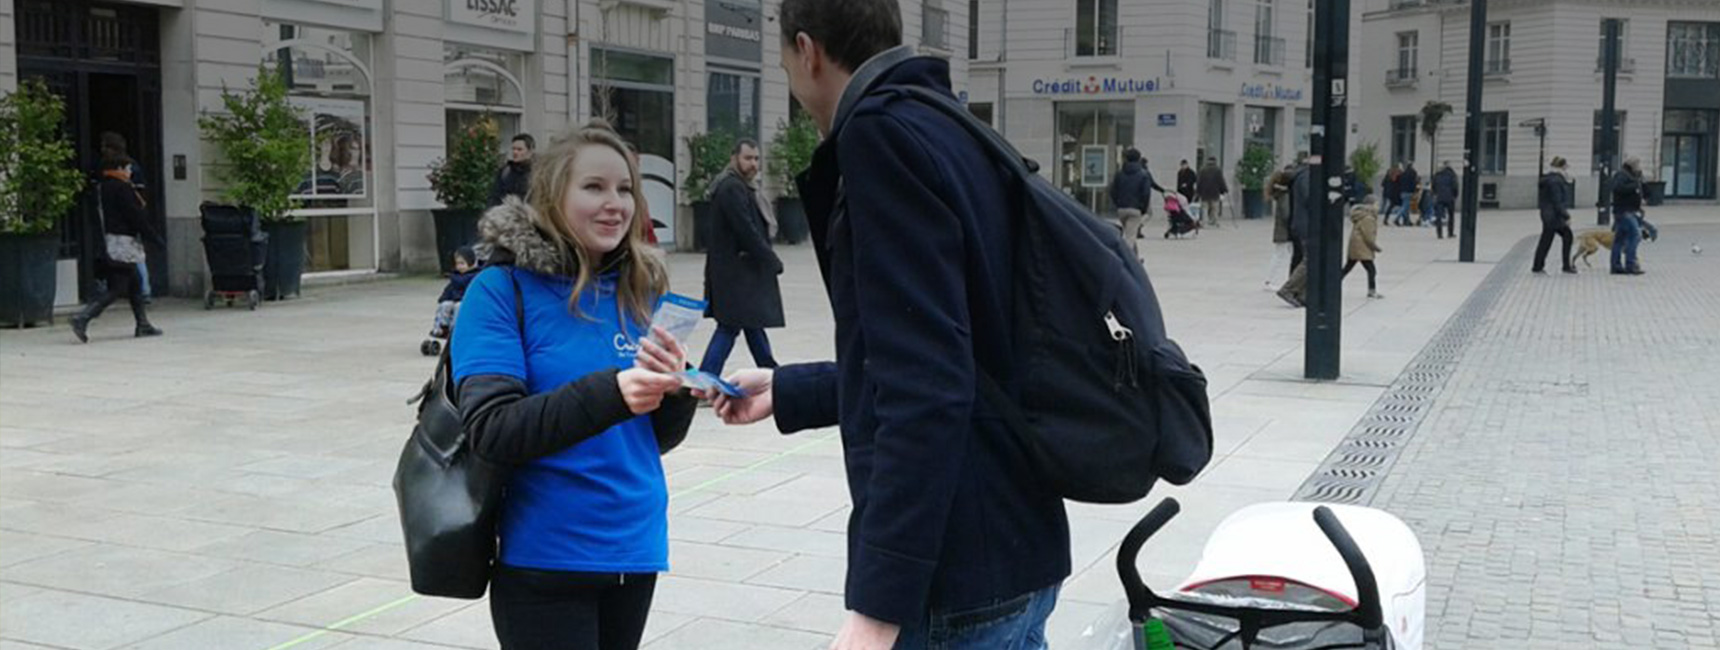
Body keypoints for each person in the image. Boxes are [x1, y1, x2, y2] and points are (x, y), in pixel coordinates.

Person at [711, 1, 1069, 647]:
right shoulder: (949, 123)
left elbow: (928, 386)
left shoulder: (880, 139)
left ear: (807, 51)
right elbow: (957, 351)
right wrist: (792, 389)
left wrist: (879, 605)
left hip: (955, 574)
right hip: (1018, 540)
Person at [450, 121, 696, 650]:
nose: (616, 204)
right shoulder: (500, 290)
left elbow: (652, 439)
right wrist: (613, 392)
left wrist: (676, 393)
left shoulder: (643, 290)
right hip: (545, 557)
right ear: (551, 196)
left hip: (635, 549)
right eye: (594, 187)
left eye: (626, 188)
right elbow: (492, 430)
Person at [699, 138, 785, 377]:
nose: (753, 164)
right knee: (730, 326)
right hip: (735, 272)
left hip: (739, 271)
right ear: (734, 158)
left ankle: (769, 369)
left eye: (757, 159)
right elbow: (746, 230)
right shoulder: (731, 188)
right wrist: (770, 259)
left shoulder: (741, 187)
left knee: (751, 322)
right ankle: (705, 380)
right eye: (748, 158)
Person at [71, 156, 165, 343]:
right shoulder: (122, 188)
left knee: (135, 282)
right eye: (128, 168)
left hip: (109, 240)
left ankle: (143, 323)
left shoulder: (101, 187)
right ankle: (84, 317)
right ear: (120, 168)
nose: (130, 172)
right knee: (117, 286)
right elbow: (135, 216)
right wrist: (154, 237)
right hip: (123, 242)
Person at [99, 132, 152, 303]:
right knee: (132, 272)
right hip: (125, 231)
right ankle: (143, 295)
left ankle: (143, 302)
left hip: (121, 231)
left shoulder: (117, 174)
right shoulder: (125, 173)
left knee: (129, 276)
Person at [1110, 148, 1166, 255]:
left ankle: (1135, 258)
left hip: (1121, 209)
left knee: (1130, 233)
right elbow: (1146, 194)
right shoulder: (1143, 174)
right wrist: (1142, 208)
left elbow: (1113, 191)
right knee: (1130, 237)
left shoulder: (1119, 173)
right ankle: (1126, 259)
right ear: (1139, 159)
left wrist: (1118, 204)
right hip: (1135, 209)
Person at [1277, 162, 1314, 308]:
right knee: (1310, 259)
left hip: (1301, 223)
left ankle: (1301, 293)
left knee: (1302, 258)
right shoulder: (1306, 177)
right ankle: (1289, 289)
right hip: (1306, 224)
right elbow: (1310, 198)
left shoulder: (1302, 175)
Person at [1532, 157, 1577, 275]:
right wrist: (1566, 215)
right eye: (1566, 167)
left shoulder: (1547, 179)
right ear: (1562, 167)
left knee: (1546, 239)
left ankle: (1538, 265)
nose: (1567, 170)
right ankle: (1566, 266)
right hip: (1554, 216)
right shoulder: (1556, 181)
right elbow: (1557, 200)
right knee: (1567, 236)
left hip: (1547, 214)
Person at [429, 245, 479, 340]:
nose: (459, 266)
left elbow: (475, 293)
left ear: (471, 263)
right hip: (455, 300)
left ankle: (455, 329)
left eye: (462, 263)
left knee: (458, 306)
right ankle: (441, 328)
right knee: (445, 305)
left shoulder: (475, 277)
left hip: (467, 302)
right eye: (457, 264)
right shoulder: (455, 277)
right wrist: (443, 298)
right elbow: (449, 289)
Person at [1610, 157, 1647, 275]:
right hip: (1624, 211)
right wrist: (1634, 185)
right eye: (1639, 164)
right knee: (1635, 236)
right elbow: (1618, 188)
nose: (1640, 167)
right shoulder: (1622, 175)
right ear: (1632, 165)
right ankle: (1630, 265)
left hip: (1628, 210)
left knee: (1619, 239)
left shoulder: (1632, 176)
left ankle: (1616, 266)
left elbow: (1643, 191)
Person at [1264, 164, 1297, 292]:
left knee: (1283, 254)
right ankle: (1271, 280)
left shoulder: (1282, 194)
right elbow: (1286, 214)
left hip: (1283, 230)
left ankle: (1274, 279)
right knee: (1280, 255)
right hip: (1284, 231)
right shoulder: (1285, 196)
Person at [1343, 203, 1385, 299]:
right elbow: (1368, 236)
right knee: (1371, 270)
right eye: (1376, 204)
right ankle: (1372, 291)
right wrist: (1375, 247)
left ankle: (1334, 285)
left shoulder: (1362, 216)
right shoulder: (1368, 219)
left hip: (1356, 246)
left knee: (1347, 268)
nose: (1378, 207)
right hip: (1362, 247)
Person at [489, 133, 536, 208]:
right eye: (513, 149)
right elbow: (495, 197)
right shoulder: (506, 171)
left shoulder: (538, 173)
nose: (515, 152)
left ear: (530, 151)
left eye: (519, 149)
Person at [1196, 157, 1228, 228]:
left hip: (1204, 192)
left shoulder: (1202, 170)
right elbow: (1221, 181)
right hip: (1214, 192)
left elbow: (1199, 182)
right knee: (1214, 208)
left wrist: (1198, 192)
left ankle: (1204, 222)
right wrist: (1224, 190)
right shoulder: (1217, 170)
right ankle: (1215, 222)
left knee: (1204, 208)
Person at [1431, 161, 1459, 239]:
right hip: (1449, 198)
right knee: (1451, 216)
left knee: (1439, 216)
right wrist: (1455, 195)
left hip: (1439, 197)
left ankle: (1439, 234)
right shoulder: (1452, 175)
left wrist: (1435, 193)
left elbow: (1433, 186)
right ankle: (1450, 232)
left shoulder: (1437, 175)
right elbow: (1455, 186)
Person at [1394, 161, 1419, 226]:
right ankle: (1396, 218)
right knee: (1405, 207)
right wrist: (1415, 191)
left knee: (1406, 207)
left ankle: (1407, 221)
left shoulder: (1403, 173)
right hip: (1409, 192)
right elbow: (1414, 182)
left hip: (1402, 192)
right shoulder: (1413, 173)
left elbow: (1400, 182)